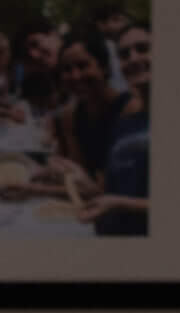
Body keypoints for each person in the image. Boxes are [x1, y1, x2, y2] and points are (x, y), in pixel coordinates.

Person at [82, 22, 150, 235]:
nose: (133, 59)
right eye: (124, 54)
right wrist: (77, 178)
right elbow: (106, 192)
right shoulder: (123, 124)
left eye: (143, 49)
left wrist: (118, 203)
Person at [47, 35, 126, 197]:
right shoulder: (70, 116)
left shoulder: (128, 110)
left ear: (104, 67)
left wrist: (32, 189)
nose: (75, 76)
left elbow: (114, 189)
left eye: (82, 65)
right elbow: (78, 182)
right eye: (67, 70)